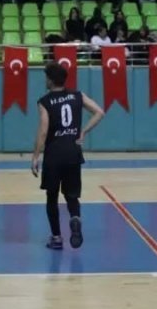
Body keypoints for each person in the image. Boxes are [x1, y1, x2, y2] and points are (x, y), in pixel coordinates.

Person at [31, 62, 104, 250]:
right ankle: (74, 218)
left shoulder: (45, 101)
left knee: (52, 196)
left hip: (54, 154)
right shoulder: (77, 95)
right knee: (72, 195)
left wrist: (35, 156)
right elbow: (99, 112)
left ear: (50, 79)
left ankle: (56, 237)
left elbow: (43, 131)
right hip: (73, 151)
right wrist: (84, 131)